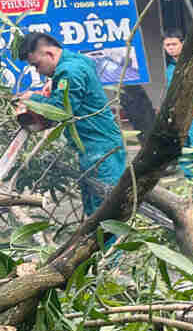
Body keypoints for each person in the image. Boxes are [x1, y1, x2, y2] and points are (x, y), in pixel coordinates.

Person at [17, 32, 127, 217]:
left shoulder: (70, 71)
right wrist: (53, 88)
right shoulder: (75, 62)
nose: (38, 71)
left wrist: (32, 99)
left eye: (37, 65)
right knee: (94, 209)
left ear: (50, 54)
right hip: (93, 145)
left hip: (98, 147)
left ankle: (110, 245)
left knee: (105, 211)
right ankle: (97, 245)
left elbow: (62, 110)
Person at [162, 29, 193, 178]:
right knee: (183, 151)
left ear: (182, 44)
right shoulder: (170, 68)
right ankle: (192, 185)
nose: (170, 48)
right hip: (178, 117)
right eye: (167, 45)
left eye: (174, 44)